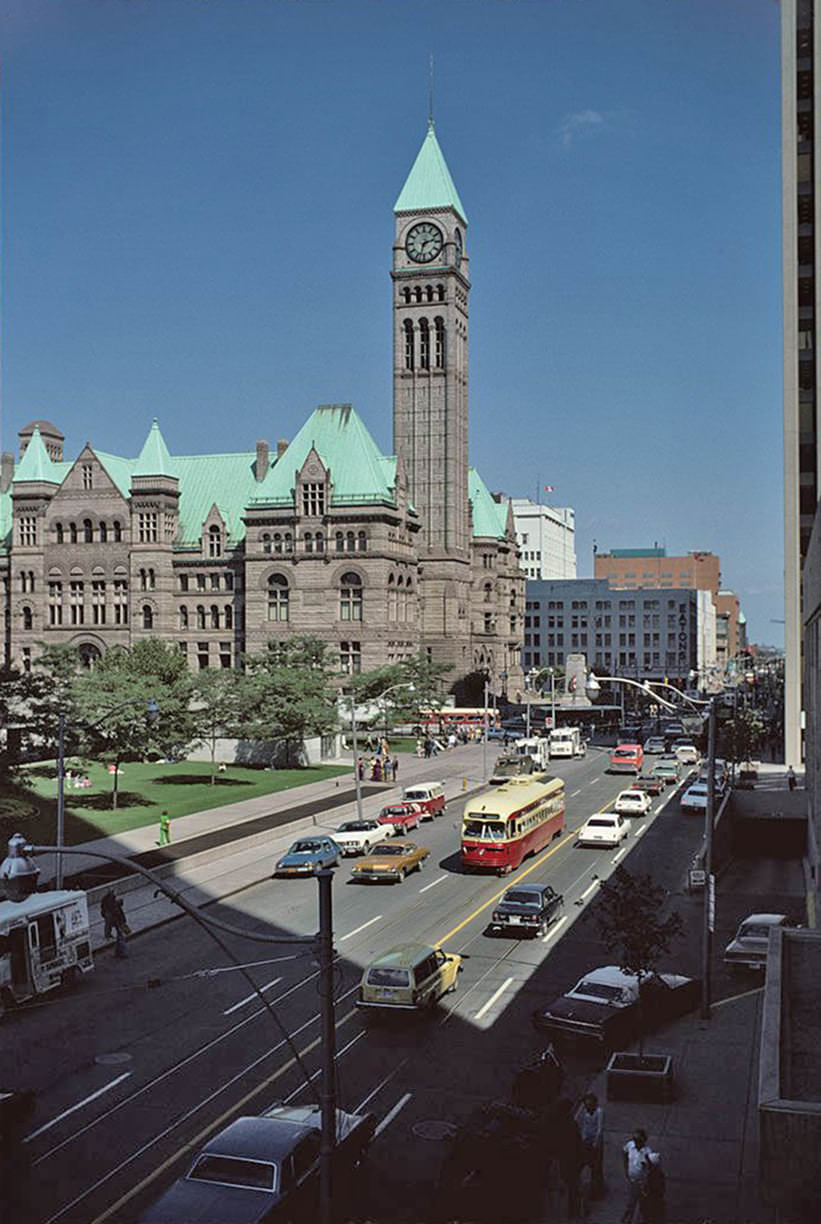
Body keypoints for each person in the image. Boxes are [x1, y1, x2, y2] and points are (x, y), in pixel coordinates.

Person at [552, 1097, 582, 1218]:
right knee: (572, 1184)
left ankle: (565, 1211)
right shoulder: (571, 1124)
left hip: (562, 1157)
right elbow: (578, 1142)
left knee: (564, 1184)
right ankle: (572, 1210)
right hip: (571, 1158)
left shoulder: (557, 1123)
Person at [621, 1129, 659, 1224]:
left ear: (643, 1141)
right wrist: (626, 1168)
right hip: (632, 1180)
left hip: (641, 1182)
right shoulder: (630, 1145)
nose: (636, 1142)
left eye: (638, 1140)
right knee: (631, 1202)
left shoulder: (647, 1152)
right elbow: (624, 1152)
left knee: (642, 1203)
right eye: (635, 1140)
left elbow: (652, 1168)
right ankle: (628, 1218)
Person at [577, 1092, 604, 1199]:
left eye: (589, 1104)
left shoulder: (599, 1112)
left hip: (596, 1142)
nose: (588, 1106)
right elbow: (584, 1126)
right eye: (586, 1104)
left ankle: (597, 1190)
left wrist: (596, 1142)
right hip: (587, 1140)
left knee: (596, 1166)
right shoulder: (585, 1112)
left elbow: (599, 1128)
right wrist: (583, 1140)